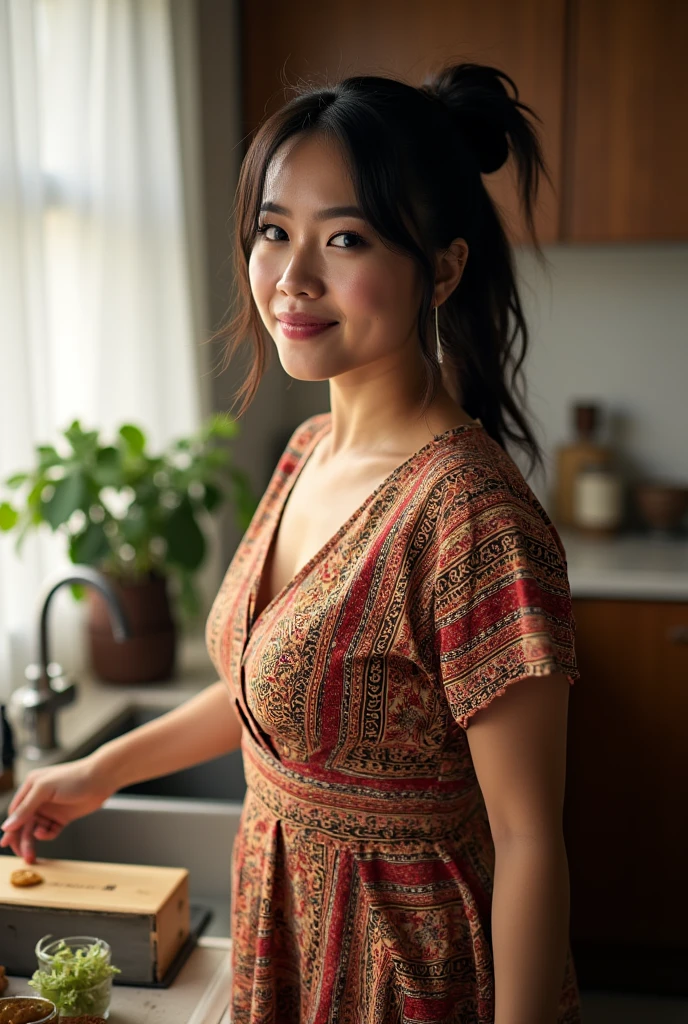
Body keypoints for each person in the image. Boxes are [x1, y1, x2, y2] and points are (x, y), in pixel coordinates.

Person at [1, 62, 582, 1023]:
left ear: (442, 266)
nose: (291, 278)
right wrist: (98, 771)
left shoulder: (471, 518)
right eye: (274, 232)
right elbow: (269, 695)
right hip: (289, 947)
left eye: (344, 238)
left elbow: (529, 841)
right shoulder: (306, 449)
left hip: (409, 974)